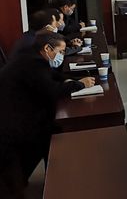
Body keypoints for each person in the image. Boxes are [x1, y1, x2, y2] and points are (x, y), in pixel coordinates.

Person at [0, 32, 94, 183]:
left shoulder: (33, 57)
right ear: (47, 48)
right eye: (60, 51)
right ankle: (49, 180)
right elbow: (53, 90)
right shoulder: (33, 64)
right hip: (12, 119)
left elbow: (53, 76)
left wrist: (75, 80)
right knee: (50, 132)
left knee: (51, 129)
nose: (62, 55)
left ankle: (48, 176)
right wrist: (80, 84)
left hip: (16, 110)